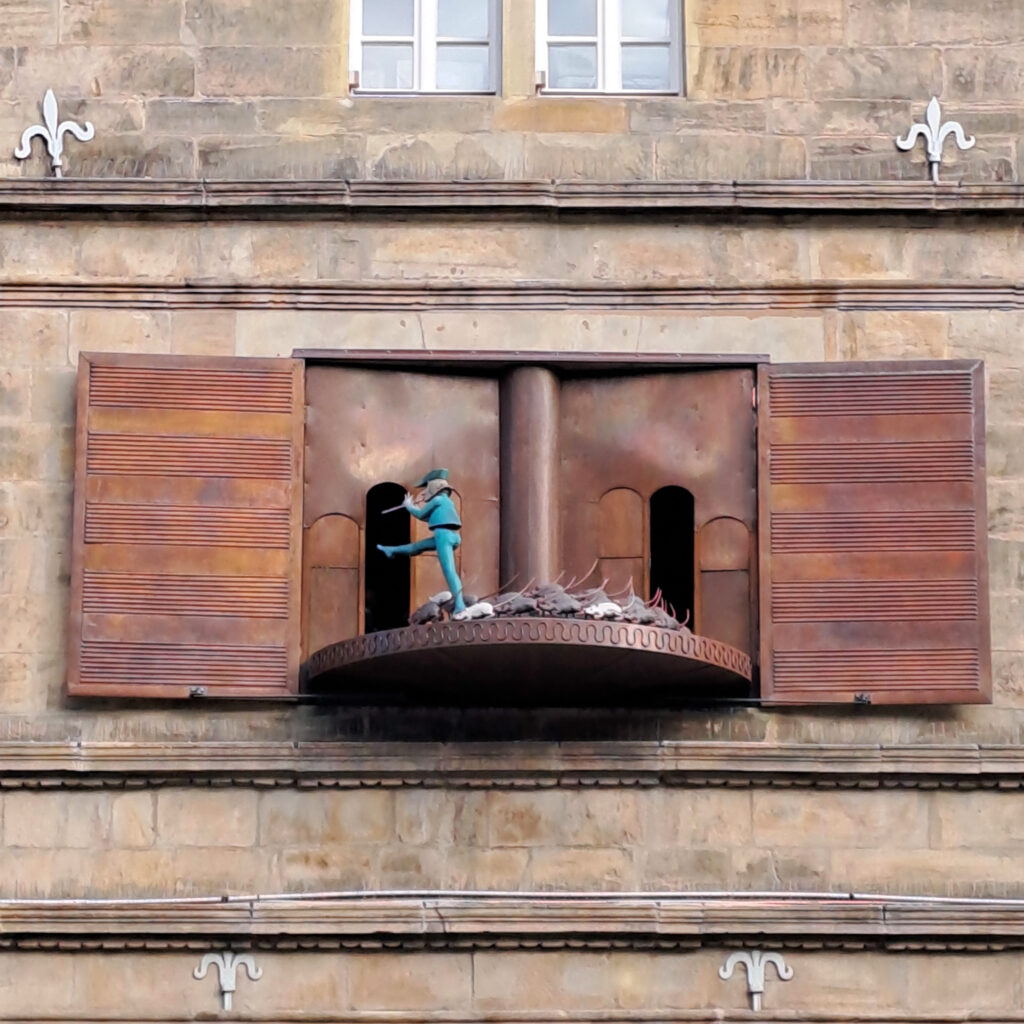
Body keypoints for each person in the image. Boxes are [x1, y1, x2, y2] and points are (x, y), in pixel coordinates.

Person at [377, 469, 466, 615]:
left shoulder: (437, 500)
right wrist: (413, 507)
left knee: (449, 571)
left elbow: (420, 514)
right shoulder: (447, 502)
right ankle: (391, 550)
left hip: (443, 535)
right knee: (417, 547)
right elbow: (429, 517)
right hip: (452, 536)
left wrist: (408, 506)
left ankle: (460, 604)